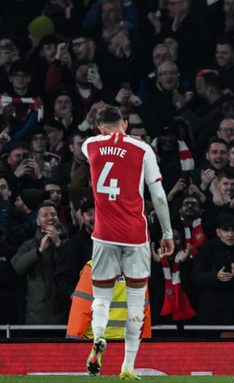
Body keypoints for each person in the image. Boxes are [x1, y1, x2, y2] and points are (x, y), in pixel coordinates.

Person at [81, 106, 174, 379]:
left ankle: (99, 336)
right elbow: (158, 195)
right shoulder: (143, 150)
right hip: (135, 235)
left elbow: (96, 144)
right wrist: (167, 233)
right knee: (136, 301)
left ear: (100, 128)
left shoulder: (91, 144)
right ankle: (128, 367)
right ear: (125, 123)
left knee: (101, 296)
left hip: (103, 234)